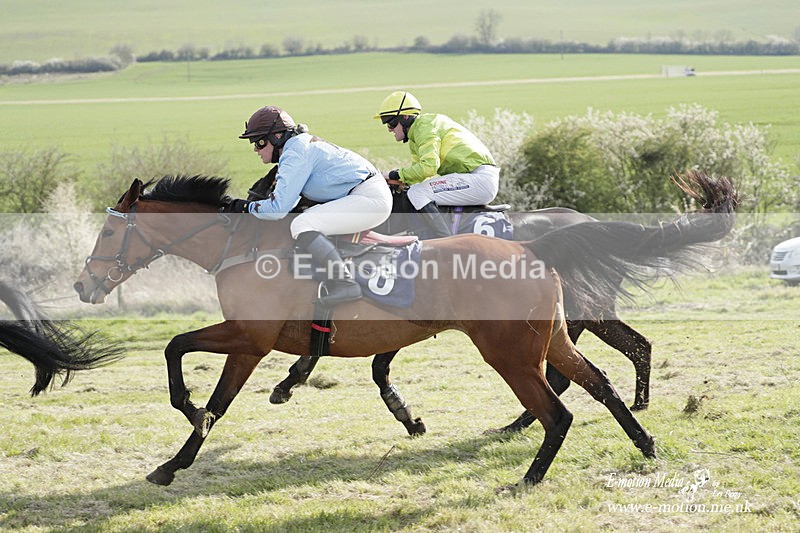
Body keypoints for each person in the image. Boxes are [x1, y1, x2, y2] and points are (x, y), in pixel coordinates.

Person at [225, 105, 392, 305]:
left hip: (369, 199)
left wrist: (244, 208)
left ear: (277, 136)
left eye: (258, 142)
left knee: (301, 224)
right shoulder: (296, 146)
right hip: (363, 195)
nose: (255, 149)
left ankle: (346, 284)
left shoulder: (295, 153)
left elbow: (278, 209)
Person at [374, 91, 499, 238]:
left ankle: (445, 241)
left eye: (392, 123)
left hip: (479, 179)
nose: (389, 129)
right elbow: (418, 176)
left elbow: (428, 168)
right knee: (415, 190)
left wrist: (393, 174)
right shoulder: (416, 137)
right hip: (472, 178)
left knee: (417, 192)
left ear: (405, 117)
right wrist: (394, 180)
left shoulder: (424, 126)